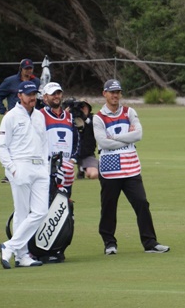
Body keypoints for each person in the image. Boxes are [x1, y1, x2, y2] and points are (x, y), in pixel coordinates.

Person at [93, 79, 170, 255]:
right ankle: (109, 243)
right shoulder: (98, 118)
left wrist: (115, 138)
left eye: (118, 92)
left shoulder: (129, 112)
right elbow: (103, 142)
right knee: (108, 207)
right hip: (110, 170)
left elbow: (139, 134)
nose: (115, 95)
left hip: (130, 167)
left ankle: (150, 242)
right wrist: (126, 137)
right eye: (112, 92)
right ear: (104, 94)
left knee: (142, 203)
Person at [0, 81, 49, 269]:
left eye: (34, 94)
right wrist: (12, 169)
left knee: (41, 211)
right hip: (20, 166)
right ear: (20, 96)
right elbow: (2, 146)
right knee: (21, 212)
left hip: (39, 168)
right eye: (28, 94)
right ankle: (22, 256)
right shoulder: (10, 117)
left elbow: (44, 143)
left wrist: (46, 167)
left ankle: (9, 247)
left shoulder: (39, 116)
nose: (32, 98)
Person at [0, 58, 41, 183]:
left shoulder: (36, 81)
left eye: (30, 68)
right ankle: (9, 172)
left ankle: (29, 171)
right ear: (21, 69)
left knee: (27, 144)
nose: (28, 71)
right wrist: (4, 111)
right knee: (9, 144)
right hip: (13, 117)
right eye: (26, 69)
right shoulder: (10, 81)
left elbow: (39, 99)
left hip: (30, 117)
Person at [39, 82, 80, 197]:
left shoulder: (69, 117)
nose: (56, 96)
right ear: (45, 97)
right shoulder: (39, 115)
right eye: (53, 94)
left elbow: (77, 141)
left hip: (66, 169)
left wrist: (72, 160)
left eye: (58, 93)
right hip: (47, 169)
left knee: (65, 204)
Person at [75, 101, 99, 179]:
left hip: (87, 154)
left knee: (93, 175)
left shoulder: (94, 118)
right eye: (81, 107)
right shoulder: (71, 118)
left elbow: (94, 128)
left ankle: (82, 168)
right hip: (70, 155)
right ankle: (81, 167)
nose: (83, 109)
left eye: (85, 107)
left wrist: (85, 119)